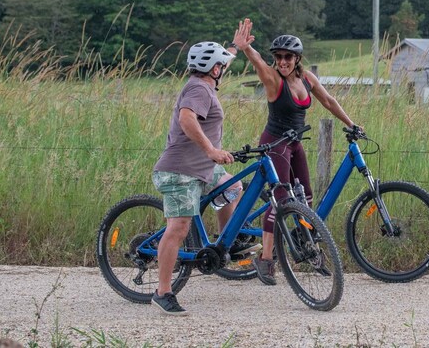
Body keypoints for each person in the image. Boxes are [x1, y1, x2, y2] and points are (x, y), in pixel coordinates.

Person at [233, 18, 361, 285]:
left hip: (294, 142)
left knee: (306, 196)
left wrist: (351, 124)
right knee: (280, 199)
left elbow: (328, 100)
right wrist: (245, 49)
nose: (282, 61)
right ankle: (266, 260)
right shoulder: (272, 79)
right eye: (278, 57)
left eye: (287, 57)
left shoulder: (306, 78)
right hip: (275, 142)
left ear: (297, 58)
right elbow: (258, 61)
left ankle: (308, 247)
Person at [150, 34, 247, 316]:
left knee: (232, 186)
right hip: (180, 170)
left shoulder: (204, 81)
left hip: (201, 169)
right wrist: (211, 150)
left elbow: (221, 65)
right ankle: (163, 292)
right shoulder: (199, 90)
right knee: (178, 229)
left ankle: (223, 241)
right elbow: (186, 118)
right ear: (213, 69)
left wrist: (235, 47)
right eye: (221, 65)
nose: (223, 69)